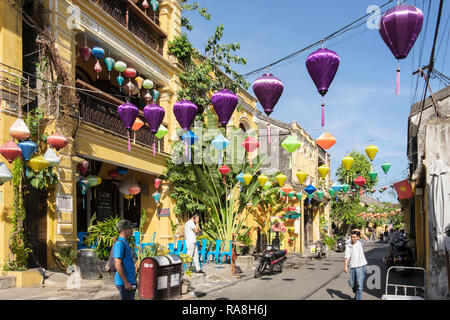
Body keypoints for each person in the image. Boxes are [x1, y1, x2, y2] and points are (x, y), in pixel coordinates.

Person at [113, 219, 137, 300]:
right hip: (124, 283)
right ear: (124, 230)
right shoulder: (119, 244)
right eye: (130, 228)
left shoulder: (125, 242)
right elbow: (117, 264)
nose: (132, 231)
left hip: (130, 281)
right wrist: (126, 282)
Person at [344, 229, 369, 300]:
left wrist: (360, 232)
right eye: (351, 237)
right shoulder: (348, 245)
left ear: (358, 237)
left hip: (361, 266)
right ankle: (357, 293)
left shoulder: (360, 242)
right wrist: (345, 266)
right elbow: (347, 256)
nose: (352, 239)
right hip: (352, 266)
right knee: (352, 284)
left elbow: (366, 239)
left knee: (359, 285)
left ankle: (358, 298)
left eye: (354, 237)